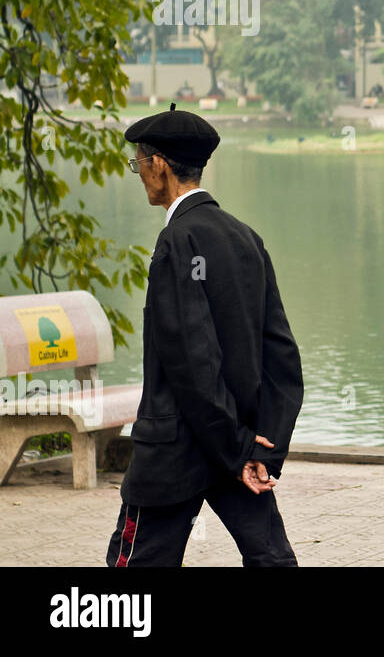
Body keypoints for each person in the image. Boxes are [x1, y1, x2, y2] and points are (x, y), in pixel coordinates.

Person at [107, 103, 303, 567]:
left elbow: (192, 361)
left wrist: (239, 450)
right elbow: (282, 357)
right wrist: (261, 448)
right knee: (271, 559)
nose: (139, 173)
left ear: (158, 165)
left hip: (180, 448)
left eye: (139, 163)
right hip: (238, 445)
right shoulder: (245, 237)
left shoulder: (177, 242)